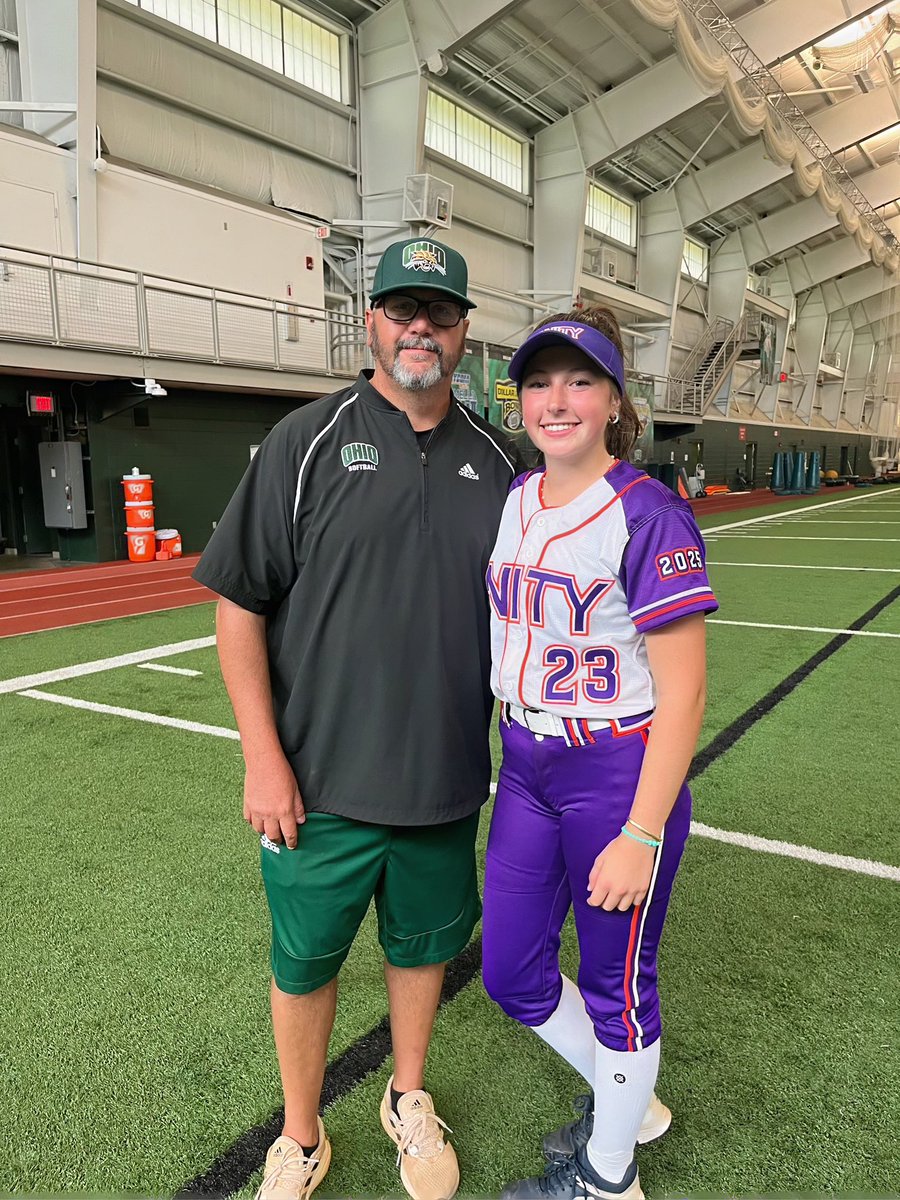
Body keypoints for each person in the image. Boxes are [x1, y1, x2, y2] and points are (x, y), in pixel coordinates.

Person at [193, 237, 524, 1200]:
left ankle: (406, 1097)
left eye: (440, 311)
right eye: (400, 307)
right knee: (304, 965)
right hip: (317, 785)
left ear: (465, 332)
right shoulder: (306, 441)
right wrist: (263, 756)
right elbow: (237, 604)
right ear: (371, 320)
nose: (420, 325)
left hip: (444, 778)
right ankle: (301, 1136)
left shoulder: (502, 464)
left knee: (422, 952)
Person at [481, 306, 718, 1200]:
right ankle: (633, 1106)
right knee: (510, 969)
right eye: (539, 381)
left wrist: (644, 830)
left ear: (615, 399)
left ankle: (607, 1179)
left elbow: (685, 691)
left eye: (580, 380)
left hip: (613, 770)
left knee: (620, 983)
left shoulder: (649, 512)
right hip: (528, 761)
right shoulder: (515, 497)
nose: (557, 398)